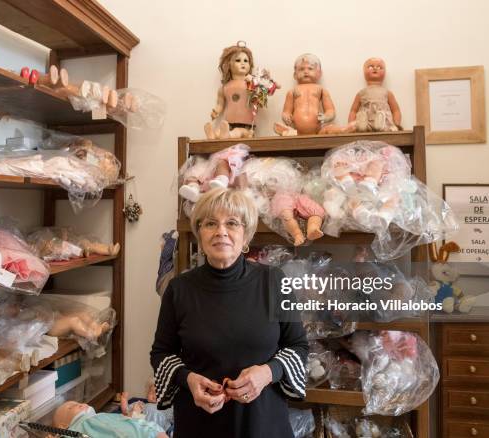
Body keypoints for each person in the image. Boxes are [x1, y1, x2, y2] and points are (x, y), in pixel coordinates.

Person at [150, 188, 308, 437]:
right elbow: (161, 353)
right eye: (210, 223)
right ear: (199, 234)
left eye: (232, 223)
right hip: (199, 423)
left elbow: (298, 346)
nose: (220, 231)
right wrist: (188, 379)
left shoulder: (274, 282)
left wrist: (268, 373)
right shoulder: (179, 289)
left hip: (263, 425)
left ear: (246, 237)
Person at [204, 42, 256, 140]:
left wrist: (254, 82)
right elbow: (220, 104)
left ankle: (227, 135)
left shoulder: (251, 83)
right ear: (229, 65)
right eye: (238, 60)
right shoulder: (225, 88)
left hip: (246, 127)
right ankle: (213, 135)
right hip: (228, 124)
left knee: (237, 132)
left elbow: (259, 97)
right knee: (220, 130)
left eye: (246, 60)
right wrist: (216, 111)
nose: (243, 63)